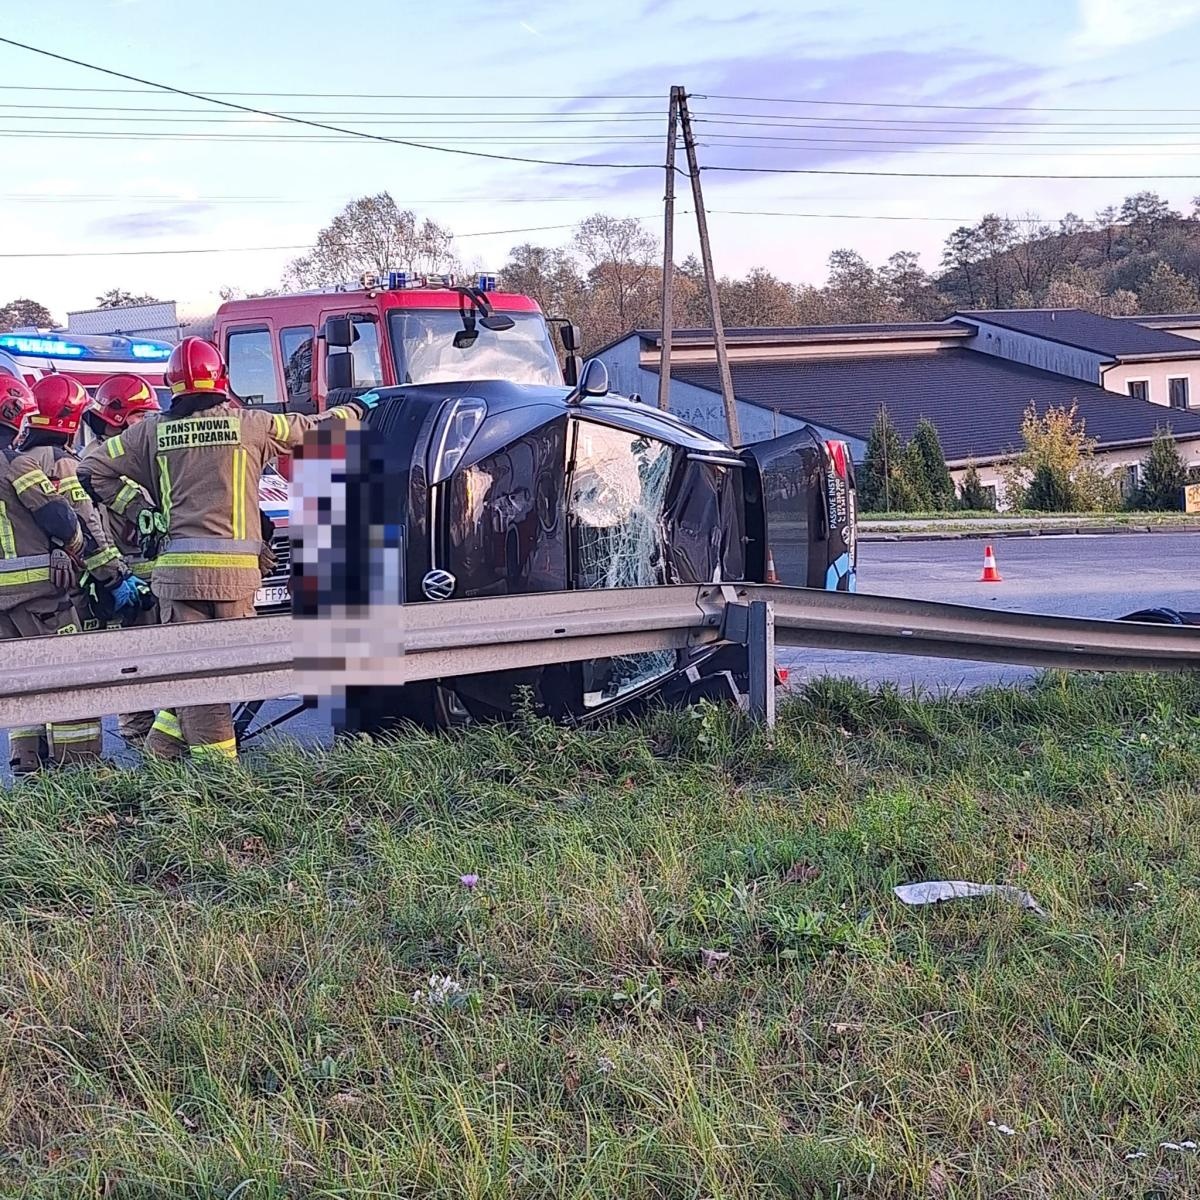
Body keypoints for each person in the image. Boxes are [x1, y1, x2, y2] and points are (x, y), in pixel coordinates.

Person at [79, 336, 373, 762]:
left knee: (196, 674)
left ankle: (161, 761)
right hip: (235, 577)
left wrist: (142, 509)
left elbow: (92, 470)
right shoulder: (251, 425)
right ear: (222, 379)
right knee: (217, 678)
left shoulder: (150, 431)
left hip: (178, 577)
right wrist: (358, 409)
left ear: (172, 383)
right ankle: (219, 777)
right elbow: (317, 429)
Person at [14, 375, 144, 766]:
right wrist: (117, 577)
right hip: (65, 595)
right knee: (75, 679)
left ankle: (28, 763)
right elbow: (86, 528)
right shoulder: (63, 464)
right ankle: (80, 770)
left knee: (30, 684)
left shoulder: (17, 462)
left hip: (22, 600)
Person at [80, 373, 160, 746]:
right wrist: (117, 578)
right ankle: (149, 757)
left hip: (158, 581)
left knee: (168, 672)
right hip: (129, 586)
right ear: (118, 417)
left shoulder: (141, 457)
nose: (150, 423)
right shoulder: (94, 467)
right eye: (142, 415)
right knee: (133, 674)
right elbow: (94, 528)